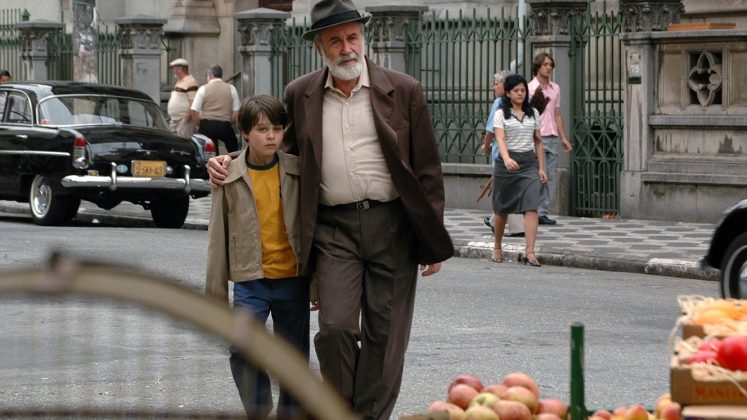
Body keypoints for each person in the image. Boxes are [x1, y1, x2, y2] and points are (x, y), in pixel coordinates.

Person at [206, 0, 453, 418]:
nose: (346, 48)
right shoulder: (300, 93)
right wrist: (229, 161)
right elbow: (275, 150)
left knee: (385, 336)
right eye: (335, 40)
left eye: (353, 37)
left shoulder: (403, 89)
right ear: (320, 47)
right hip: (333, 228)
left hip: (393, 225)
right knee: (336, 327)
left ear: (363, 38)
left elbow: (426, 167)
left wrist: (431, 237)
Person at [205, 95, 311, 419]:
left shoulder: (296, 171)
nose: (271, 136)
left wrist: (316, 284)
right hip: (250, 280)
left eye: (277, 129)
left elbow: (312, 231)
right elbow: (217, 237)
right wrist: (215, 295)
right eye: (262, 129)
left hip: (292, 279)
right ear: (245, 132)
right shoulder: (229, 175)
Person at [491, 74, 547, 267]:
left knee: (531, 206)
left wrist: (541, 167)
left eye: (523, 90)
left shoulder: (533, 113)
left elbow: (538, 142)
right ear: (508, 93)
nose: (520, 93)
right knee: (502, 208)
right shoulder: (501, 113)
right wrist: (506, 158)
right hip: (506, 164)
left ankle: (530, 251)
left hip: (528, 163)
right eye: (516, 90)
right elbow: (500, 139)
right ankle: (497, 246)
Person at [527, 52, 572, 225]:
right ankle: (531, 209)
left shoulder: (556, 88)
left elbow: (557, 113)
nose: (548, 68)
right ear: (538, 67)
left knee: (549, 176)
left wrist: (564, 138)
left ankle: (542, 211)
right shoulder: (529, 88)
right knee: (537, 174)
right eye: (545, 64)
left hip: (552, 135)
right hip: (536, 136)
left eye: (550, 65)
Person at [480, 70, 524, 238]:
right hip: (518, 150)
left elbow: (490, 130)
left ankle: (515, 226)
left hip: (503, 154)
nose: (493, 87)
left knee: (507, 190)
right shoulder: (518, 102)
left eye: (496, 84)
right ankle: (495, 221)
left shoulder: (499, 102)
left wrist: (486, 146)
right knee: (509, 188)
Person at [191, 65, 241, 152]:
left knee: (210, 151)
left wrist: (198, 124)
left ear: (210, 75)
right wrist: (231, 121)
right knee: (234, 146)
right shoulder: (231, 88)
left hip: (207, 125)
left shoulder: (203, 89)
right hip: (224, 125)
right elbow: (237, 110)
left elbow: (194, 110)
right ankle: (234, 163)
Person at [166, 58, 199, 138]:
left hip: (183, 120)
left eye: (174, 68)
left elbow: (193, 104)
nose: (173, 71)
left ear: (180, 69)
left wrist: (184, 121)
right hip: (174, 119)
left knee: (183, 143)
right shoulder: (179, 81)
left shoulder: (191, 82)